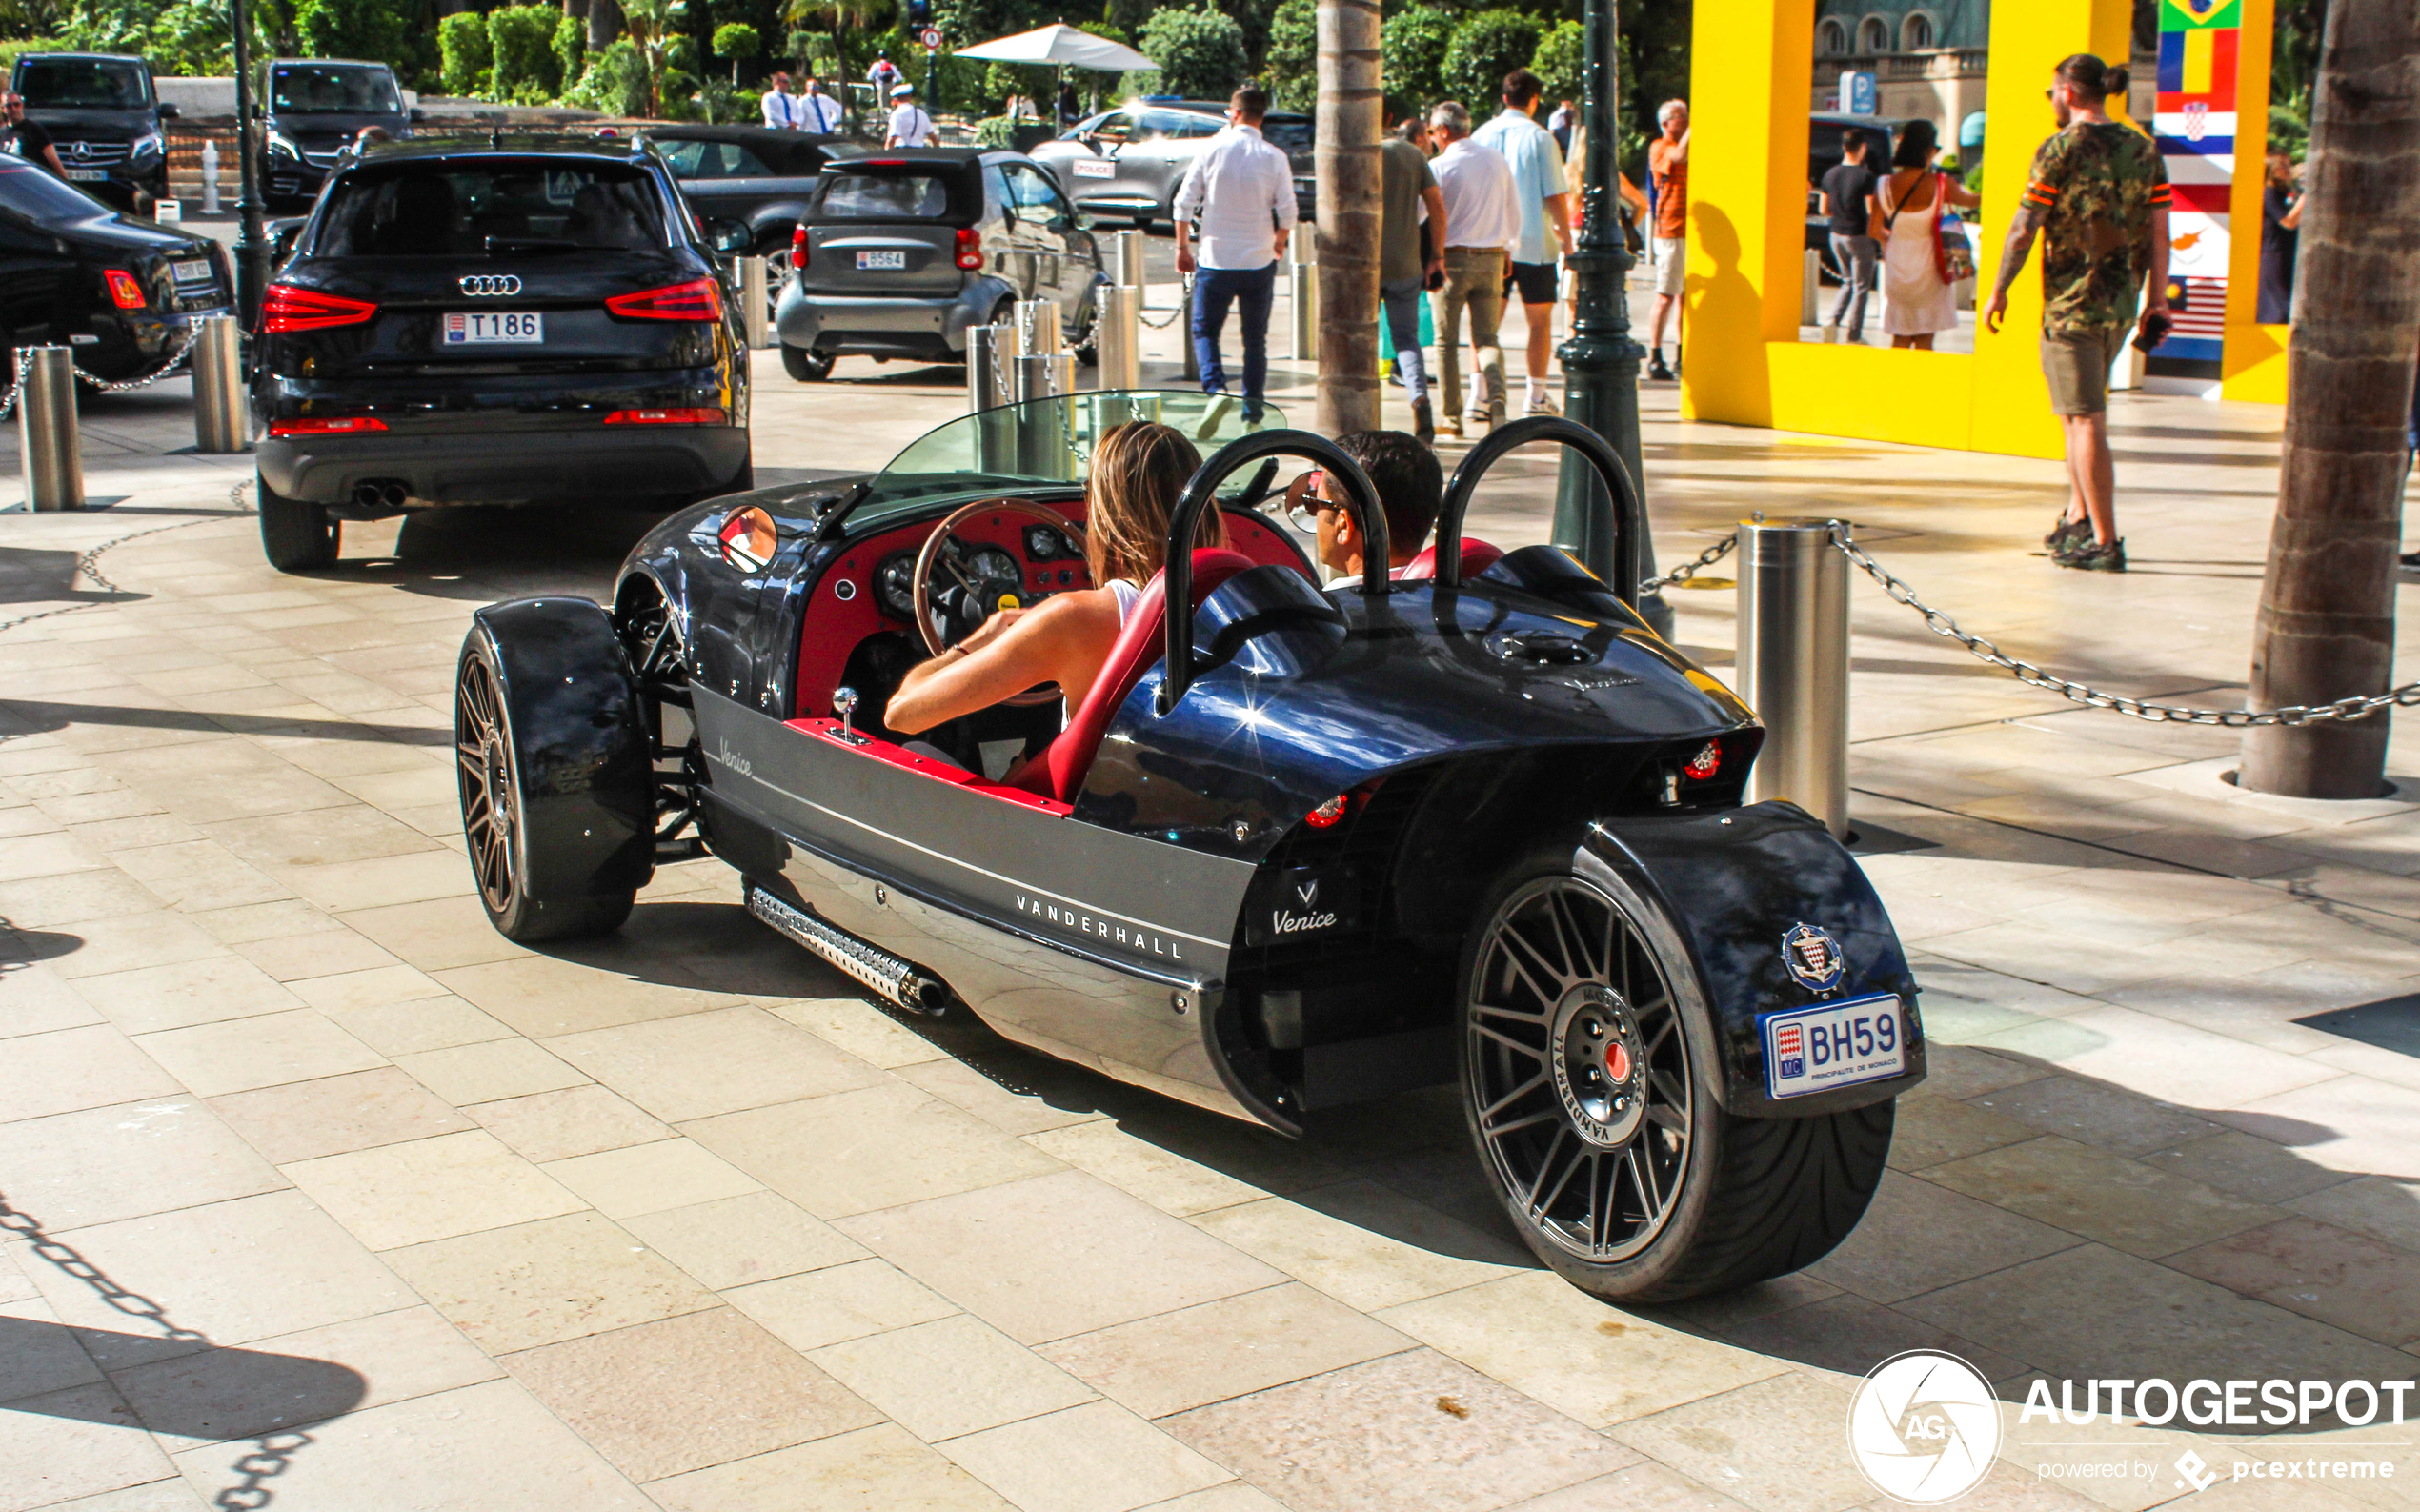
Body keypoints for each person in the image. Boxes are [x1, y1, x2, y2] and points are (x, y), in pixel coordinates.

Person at [885, 422, 1224, 736]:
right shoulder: (1241, 594)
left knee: (918, 750)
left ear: (1107, 512)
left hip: (1089, 799)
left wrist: (978, 641)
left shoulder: (1073, 619)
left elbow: (902, 715)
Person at [1983, 53, 2170, 574]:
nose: (2052, 102)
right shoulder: (2143, 148)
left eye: (2052, 93)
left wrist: (1999, 288)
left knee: (2085, 420)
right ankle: (2079, 516)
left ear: (2067, 91)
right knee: (2074, 415)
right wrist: (2156, 298)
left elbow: (2025, 227)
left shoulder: (2059, 149)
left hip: (2073, 306)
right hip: (2119, 304)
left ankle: (2106, 540)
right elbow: (2159, 231)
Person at [1173, 86, 1297, 425]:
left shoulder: (1212, 150)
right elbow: (1288, 211)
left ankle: (1215, 391)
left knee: (1205, 331)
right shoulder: (1274, 157)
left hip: (1216, 258)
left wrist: (1183, 248)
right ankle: (1252, 410)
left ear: (1236, 113)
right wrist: (1279, 242)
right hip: (1258, 260)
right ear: (1262, 117)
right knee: (1255, 340)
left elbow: (1183, 203)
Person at [1473, 69, 1574, 417]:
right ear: (1534, 100)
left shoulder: (1482, 134)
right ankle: (1536, 395)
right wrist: (1569, 241)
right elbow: (1555, 196)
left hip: (1491, 241)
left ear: (1504, 98)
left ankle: (1480, 395)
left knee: (1487, 324)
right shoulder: (1541, 138)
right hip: (1534, 242)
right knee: (1540, 321)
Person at [1426, 100, 1517, 439]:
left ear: (1444, 131)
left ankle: (1452, 417)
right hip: (1492, 257)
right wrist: (1507, 247)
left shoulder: (1439, 166)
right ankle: (1498, 404)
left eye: (1434, 132)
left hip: (1451, 259)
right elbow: (1513, 209)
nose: (1433, 138)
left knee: (1446, 342)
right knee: (1487, 338)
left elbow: (1427, 215)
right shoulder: (1496, 161)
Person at [1281, 430, 1444, 590]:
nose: (1315, 514)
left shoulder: (1327, 611)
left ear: (1344, 525)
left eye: (1315, 503)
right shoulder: (1451, 592)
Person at [1869, 119, 1979, 351]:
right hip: (1932, 264)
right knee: (1925, 337)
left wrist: (1890, 241)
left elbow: (1873, 229)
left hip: (1898, 262)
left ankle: (1897, 383)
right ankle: (1921, 384)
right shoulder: (1941, 183)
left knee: (1900, 335)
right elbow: (1972, 201)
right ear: (1928, 150)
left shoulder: (1883, 185)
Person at [1379, 114, 1447, 442]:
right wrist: (1436, 254)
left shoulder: (1363, 153)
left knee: (1359, 339)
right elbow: (1436, 206)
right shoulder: (1414, 156)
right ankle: (1419, 400)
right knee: (1406, 339)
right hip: (1406, 263)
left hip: (1364, 266)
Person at [1819, 131, 1880, 343]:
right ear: (1862, 147)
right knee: (1861, 287)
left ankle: (1832, 321)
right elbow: (1872, 211)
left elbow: (1824, 209)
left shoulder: (1830, 174)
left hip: (1835, 234)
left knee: (1847, 281)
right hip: (1859, 235)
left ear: (1844, 147)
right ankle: (1854, 333)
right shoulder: (1866, 177)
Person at [1644, 99, 1689, 380]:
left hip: (1691, 229)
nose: (1685, 121)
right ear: (1665, 123)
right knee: (1666, 296)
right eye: (1680, 117)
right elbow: (1678, 157)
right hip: (1670, 230)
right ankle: (1655, 355)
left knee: (1685, 297)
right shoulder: (1659, 147)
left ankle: (1682, 354)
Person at [2258, 151, 2302, 325]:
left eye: (2288, 164)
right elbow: (2288, 222)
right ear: (2271, 170)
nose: (2288, 169)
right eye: (2282, 166)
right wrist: (2305, 199)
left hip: (2287, 251)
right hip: (2274, 254)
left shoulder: (2284, 193)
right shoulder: (2269, 193)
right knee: (2281, 304)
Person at [0, 94, 63, 178]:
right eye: (9, 106)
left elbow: (54, 161)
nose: (13, 109)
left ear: (22, 105)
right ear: (3, 109)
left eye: (16, 104)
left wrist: (65, 184)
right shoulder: (2, 133)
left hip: (35, 180)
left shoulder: (34, 129)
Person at [885, 82, 933, 148]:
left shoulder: (897, 114)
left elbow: (892, 139)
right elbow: (932, 137)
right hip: (919, 153)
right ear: (910, 97)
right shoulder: (921, 113)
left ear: (894, 100)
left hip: (902, 152)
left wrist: (886, 155)